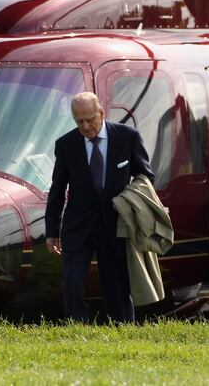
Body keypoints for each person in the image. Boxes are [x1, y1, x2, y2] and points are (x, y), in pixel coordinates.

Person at [45, 92, 154, 323]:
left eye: (90, 119)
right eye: (79, 121)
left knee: (117, 285)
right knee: (73, 280)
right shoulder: (65, 144)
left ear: (101, 113)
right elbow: (57, 189)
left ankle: (123, 329)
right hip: (78, 226)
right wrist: (52, 231)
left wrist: (130, 199)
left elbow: (145, 176)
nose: (85, 126)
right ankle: (76, 328)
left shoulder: (127, 137)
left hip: (115, 225)